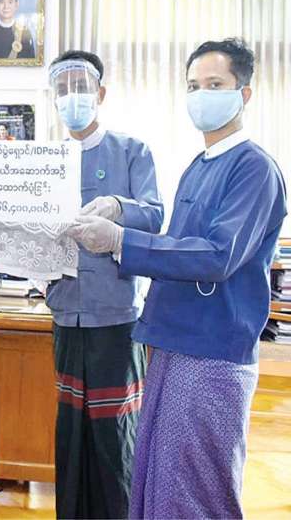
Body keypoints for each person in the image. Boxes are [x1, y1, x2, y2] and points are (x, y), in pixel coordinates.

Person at [66, 38, 287, 518]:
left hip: (212, 350)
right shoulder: (200, 165)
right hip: (172, 341)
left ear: (244, 94)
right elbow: (175, 247)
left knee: (196, 487)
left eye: (215, 84)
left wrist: (121, 240)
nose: (201, 95)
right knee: (160, 478)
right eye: (193, 85)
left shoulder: (255, 169)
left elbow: (216, 256)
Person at [46, 51, 164, 519]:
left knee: (115, 435)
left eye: (80, 86)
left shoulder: (132, 151)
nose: (71, 97)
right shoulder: (45, 161)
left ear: (101, 93)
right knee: (71, 432)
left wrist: (118, 206)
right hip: (65, 312)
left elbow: (154, 216)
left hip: (115, 315)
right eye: (62, 89)